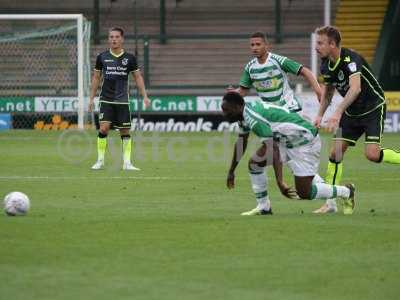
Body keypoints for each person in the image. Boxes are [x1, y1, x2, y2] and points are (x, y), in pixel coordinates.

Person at [226, 31, 323, 215]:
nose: (254, 48)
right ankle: (265, 205)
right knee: (289, 162)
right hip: (270, 118)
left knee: (272, 158)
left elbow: (305, 71)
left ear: (266, 46)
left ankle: (266, 204)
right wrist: (234, 94)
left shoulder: (277, 60)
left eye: (258, 44)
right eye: (252, 45)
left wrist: (318, 90)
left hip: (288, 112)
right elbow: (243, 91)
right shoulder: (250, 68)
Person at [222, 91, 355, 215]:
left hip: (305, 142)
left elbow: (272, 149)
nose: (224, 114)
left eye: (227, 110)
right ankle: (264, 207)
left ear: (238, 107)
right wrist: (231, 171)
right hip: (286, 140)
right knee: (255, 163)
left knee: (305, 192)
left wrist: (280, 182)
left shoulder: (253, 118)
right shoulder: (244, 115)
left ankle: (347, 192)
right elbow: (241, 142)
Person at [313, 25, 400, 214]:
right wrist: (320, 115)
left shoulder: (351, 59)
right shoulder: (325, 64)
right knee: (335, 153)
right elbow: (328, 92)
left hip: (372, 108)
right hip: (352, 112)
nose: (316, 46)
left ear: (332, 44)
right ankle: (331, 203)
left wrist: (337, 112)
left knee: (372, 155)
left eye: (320, 43)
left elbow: (355, 88)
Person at [88, 27, 150, 170]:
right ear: (108, 39)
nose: (114, 39)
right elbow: (96, 78)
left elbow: (138, 77)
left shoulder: (130, 58)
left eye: (116, 37)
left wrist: (145, 96)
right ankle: (100, 160)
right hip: (106, 99)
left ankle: (127, 163)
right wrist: (91, 99)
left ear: (122, 39)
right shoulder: (102, 57)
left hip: (122, 100)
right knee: (103, 129)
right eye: (111, 37)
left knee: (125, 131)